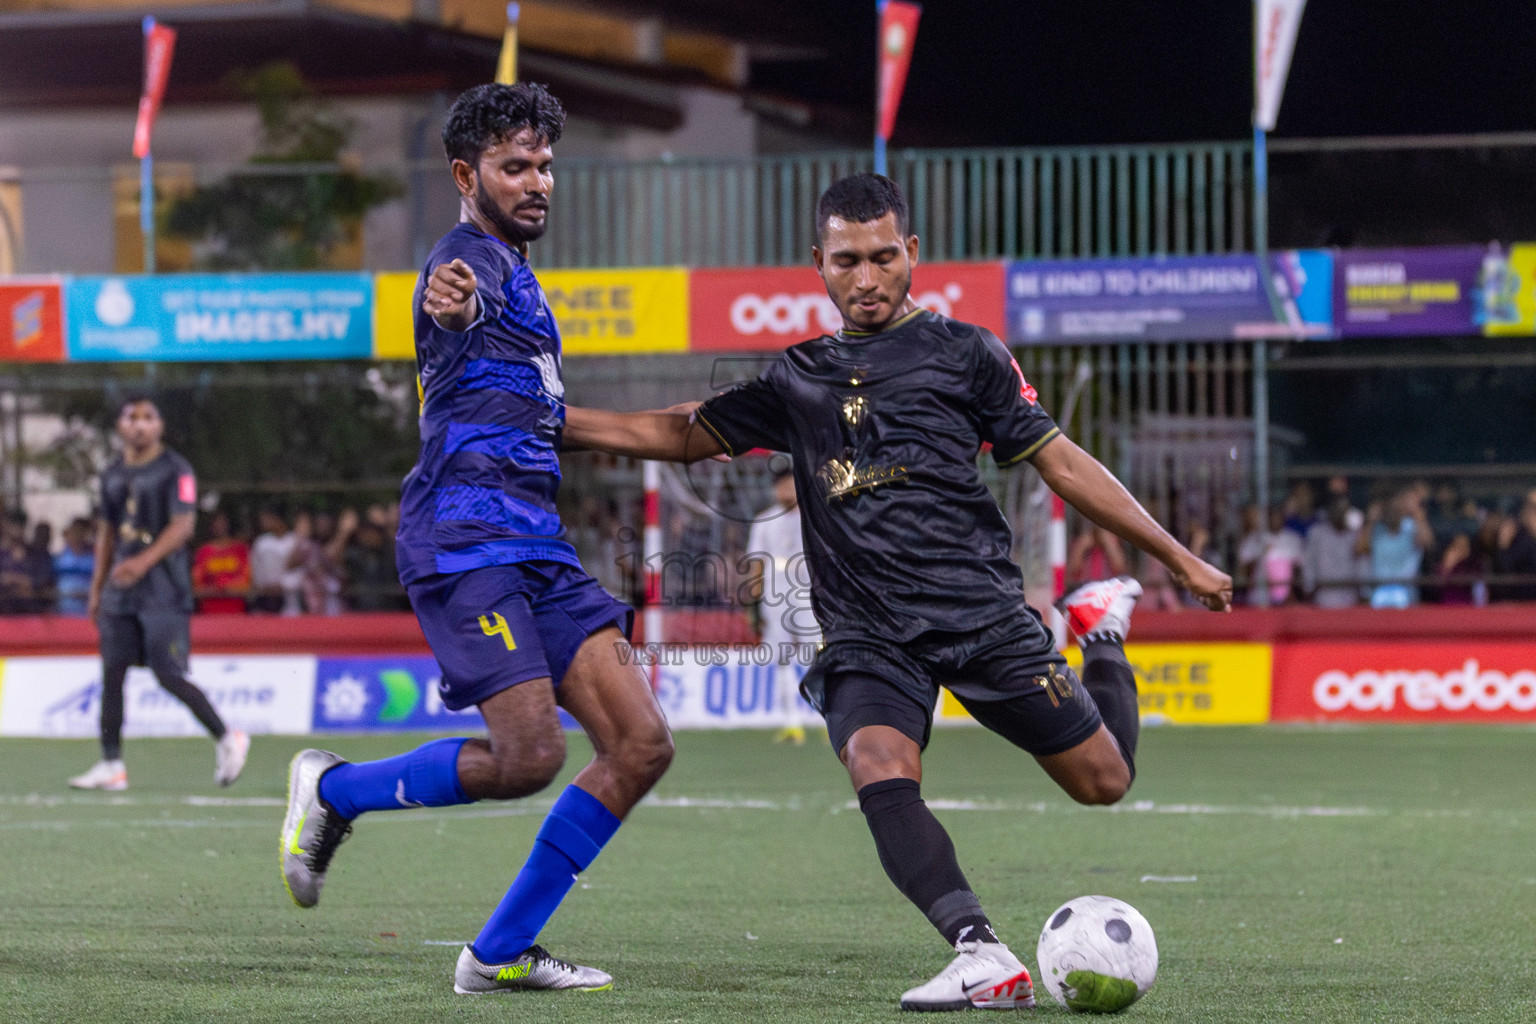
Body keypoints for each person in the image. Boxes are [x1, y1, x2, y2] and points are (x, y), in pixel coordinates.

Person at [563, 173, 1231, 1012]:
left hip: (981, 617)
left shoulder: (968, 353)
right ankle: (978, 950)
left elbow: (1060, 462)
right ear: (819, 263)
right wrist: (554, 419)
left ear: (912, 253)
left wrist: (1175, 557)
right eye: (848, 261)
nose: (868, 278)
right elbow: (676, 431)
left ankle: (1099, 632)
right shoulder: (798, 378)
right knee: (877, 760)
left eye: (884, 257)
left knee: (1104, 780)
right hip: (867, 632)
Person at [279, 83, 673, 998]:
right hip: (465, 541)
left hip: (537, 545)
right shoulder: (465, 266)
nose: (537, 182)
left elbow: (538, 414)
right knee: (529, 757)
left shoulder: (523, 276)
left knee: (642, 743)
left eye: (543, 165)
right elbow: (446, 311)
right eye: (514, 166)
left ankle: (497, 953)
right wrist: (445, 307)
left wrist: (681, 426)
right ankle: (334, 791)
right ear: (466, 175)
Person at [68, 397, 249, 792]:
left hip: (162, 591)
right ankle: (111, 764)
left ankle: (226, 737)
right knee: (111, 673)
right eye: (131, 417)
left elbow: (183, 526)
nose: (139, 425)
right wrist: (97, 589)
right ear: (120, 425)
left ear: (160, 426)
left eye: (148, 417)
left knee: (167, 675)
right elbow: (106, 534)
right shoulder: (112, 474)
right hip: (121, 592)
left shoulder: (176, 470)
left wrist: (142, 562)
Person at [744, 462, 823, 744]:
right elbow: (756, 563)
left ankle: (829, 718)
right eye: (780, 484)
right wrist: (753, 605)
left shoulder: (814, 517)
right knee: (782, 660)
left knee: (821, 656)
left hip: (808, 598)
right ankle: (792, 723)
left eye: (789, 483)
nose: (784, 489)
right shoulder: (764, 520)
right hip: (775, 599)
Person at [1356, 484, 1433, 608]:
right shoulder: (1377, 529)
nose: (1395, 508)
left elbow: (1427, 543)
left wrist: (1416, 512)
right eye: (1392, 504)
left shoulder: (1411, 527)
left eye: (1400, 503)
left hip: (1406, 594)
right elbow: (1360, 549)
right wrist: (1370, 520)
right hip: (1378, 594)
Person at [1301, 495, 1364, 608]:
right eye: (1339, 510)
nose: (1342, 514)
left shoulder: (1355, 534)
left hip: (1349, 595)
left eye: (1345, 510)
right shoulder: (1318, 532)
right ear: (1332, 511)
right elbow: (1309, 562)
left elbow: (1361, 564)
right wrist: (1308, 588)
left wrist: (1362, 591)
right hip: (1324, 595)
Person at [192, 510, 251, 614]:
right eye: (216, 522)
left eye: (223, 522)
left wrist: (228, 588)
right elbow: (197, 583)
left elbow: (248, 579)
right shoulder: (203, 551)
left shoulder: (240, 549)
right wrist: (214, 589)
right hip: (209, 610)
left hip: (236, 609)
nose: (220, 526)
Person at [249, 505, 297, 614]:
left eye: (267, 519)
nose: (263, 522)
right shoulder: (261, 542)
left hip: (289, 599)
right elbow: (256, 570)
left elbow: (300, 571)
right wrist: (263, 587)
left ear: (278, 519)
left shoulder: (294, 541)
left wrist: (284, 584)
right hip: (265, 598)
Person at [54, 516, 97, 616]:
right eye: (73, 532)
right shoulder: (58, 558)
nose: (76, 535)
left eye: (79, 531)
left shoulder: (94, 558)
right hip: (62, 611)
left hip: (87, 612)